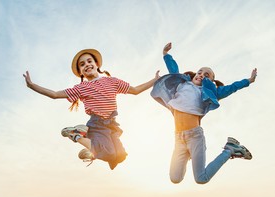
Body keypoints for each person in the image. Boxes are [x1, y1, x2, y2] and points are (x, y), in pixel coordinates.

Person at [23, 48, 159, 170]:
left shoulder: (112, 81)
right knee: (110, 153)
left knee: (121, 156)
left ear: (97, 64)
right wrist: (32, 85)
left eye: (89, 61)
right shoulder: (81, 88)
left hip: (112, 124)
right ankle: (75, 134)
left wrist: (155, 80)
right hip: (97, 124)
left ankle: (91, 151)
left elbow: (135, 90)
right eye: (82, 64)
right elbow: (55, 94)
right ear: (81, 72)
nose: (87, 64)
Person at [150, 42, 257, 184]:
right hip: (179, 138)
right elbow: (173, 70)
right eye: (200, 72)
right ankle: (188, 155)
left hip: (195, 137)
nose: (201, 75)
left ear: (210, 81)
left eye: (206, 75)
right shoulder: (181, 84)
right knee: (175, 179)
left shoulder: (208, 93)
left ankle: (229, 150)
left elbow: (232, 88)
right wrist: (166, 54)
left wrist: (248, 80)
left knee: (201, 178)